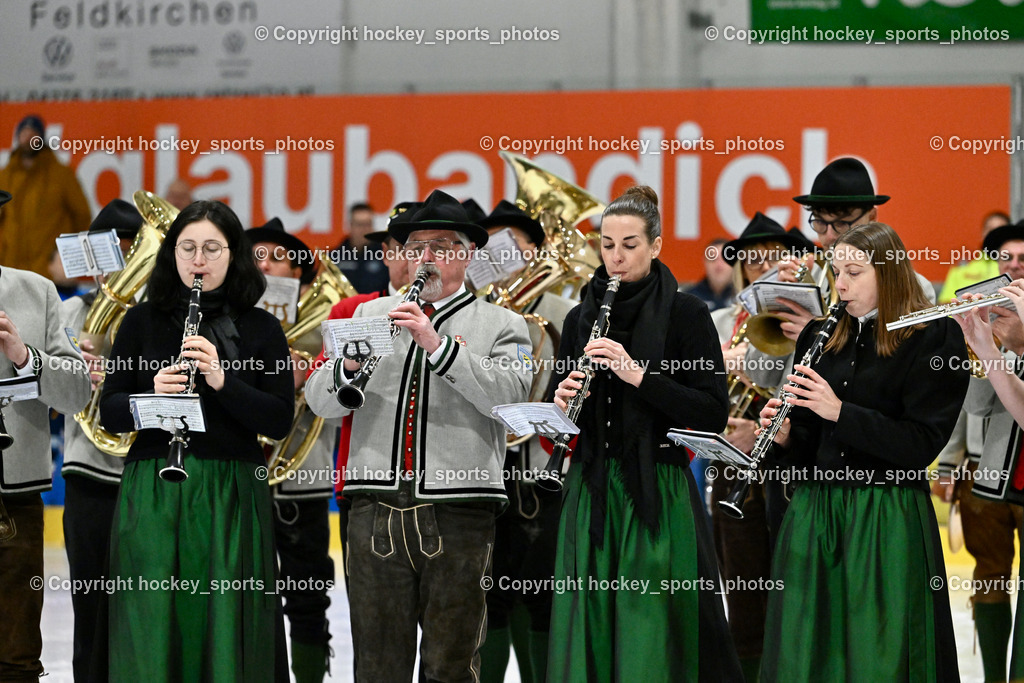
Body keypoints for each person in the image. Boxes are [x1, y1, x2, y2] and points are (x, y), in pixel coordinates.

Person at [305, 189, 532, 682]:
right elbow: (320, 403)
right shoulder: (366, 317)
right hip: (372, 508)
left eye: (442, 246)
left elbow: (510, 399)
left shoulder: (503, 324)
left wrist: (436, 343)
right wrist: (346, 369)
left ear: (468, 254)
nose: (426, 258)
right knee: (375, 664)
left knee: (450, 665)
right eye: (415, 248)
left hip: (460, 511)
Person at [757, 222, 968, 681]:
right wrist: (788, 436)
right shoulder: (820, 334)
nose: (842, 284)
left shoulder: (934, 336)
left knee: (881, 653)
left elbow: (920, 444)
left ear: (889, 275)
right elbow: (812, 442)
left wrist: (839, 412)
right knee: (810, 649)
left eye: (855, 271)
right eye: (836, 272)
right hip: (818, 512)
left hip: (885, 516)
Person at [550, 186, 741, 682]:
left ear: (656, 246)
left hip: (656, 489)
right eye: (607, 245)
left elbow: (712, 411)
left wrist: (640, 377)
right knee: (590, 627)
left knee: (650, 629)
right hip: (591, 491)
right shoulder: (579, 318)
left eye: (630, 245)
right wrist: (561, 402)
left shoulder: (688, 315)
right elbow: (559, 426)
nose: (616, 257)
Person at [99, 200, 294, 681]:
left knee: (227, 621)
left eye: (212, 248)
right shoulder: (141, 321)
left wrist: (223, 380)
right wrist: (150, 397)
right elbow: (109, 412)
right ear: (173, 254)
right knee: (153, 620)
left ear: (234, 255)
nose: (199, 259)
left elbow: (279, 419)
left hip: (231, 491)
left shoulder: (262, 327)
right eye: (187, 248)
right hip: (154, 491)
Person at [475, 199, 576, 683]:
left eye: (510, 243)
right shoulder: (478, 312)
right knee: (489, 590)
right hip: (488, 465)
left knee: (542, 589)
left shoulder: (563, 309)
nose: (496, 254)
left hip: (541, 467)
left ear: (536, 250)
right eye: (489, 244)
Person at [709, 212, 808, 681]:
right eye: (752, 261)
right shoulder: (717, 321)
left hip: (788, 464)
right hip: (731, 464)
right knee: (743, 590)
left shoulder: (808, 318)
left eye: (773, 259)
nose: (761, 267)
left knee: (795, 588)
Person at [0, 185, 92, 683]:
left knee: (17, 659)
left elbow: (76, 394)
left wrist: (24, 357)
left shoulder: (37, 291)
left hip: (16, 500)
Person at [248, 217, 336, 682]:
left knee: (307, 593)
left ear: (298, 272)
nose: (266, 265)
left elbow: (344, 407)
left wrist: (311, 378)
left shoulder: (326, 325)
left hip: (303, 474)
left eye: (277, 257)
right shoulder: (226, 323)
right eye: (257, 257)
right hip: (241, 473)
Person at [60, 198, 143, 683]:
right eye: (110, 254)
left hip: (145, 472)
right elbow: (49, 402)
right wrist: (75, 372)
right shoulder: (70, 312)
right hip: (88, 471)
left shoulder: (157, 321)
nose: (120, 267)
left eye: (131, 255)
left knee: (147, 607)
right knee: (89, 609)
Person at [946, 218, 1024, 682]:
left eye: (1023, 260)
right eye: (1007, 259)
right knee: (990, 576)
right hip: (991, 473)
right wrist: (986, 344)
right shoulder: (1000, 318)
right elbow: (974, 406)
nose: (1014, 267)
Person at [0, 115, 92, 277]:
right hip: (10, 269)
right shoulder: (5, 176)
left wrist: (68, 257)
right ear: (17, 137)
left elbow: (82, 217)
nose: (28, 138)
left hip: (47, 272)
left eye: (33, 134)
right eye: (24, 133)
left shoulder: (61, 175)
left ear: (41, 138)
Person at [938, 210, 1009, 303]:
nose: (994, 235)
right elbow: (944, 303)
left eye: (1000, 230)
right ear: (982, 233)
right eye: (990, 230)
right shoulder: (962, 268)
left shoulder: (1015, 267)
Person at [332, 202, 389, 294]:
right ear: (350, 225)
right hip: (344, 307)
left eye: (368, 224)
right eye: (359, 224)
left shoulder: (384, 256)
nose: (364, 229)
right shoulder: (335, 257)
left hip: (375, 307)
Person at [687, 237, 735, 311]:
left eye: (724, 259)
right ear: (705, 262)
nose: (719, 265)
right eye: (713, 259)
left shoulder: (743, 298)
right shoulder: (690, 299)